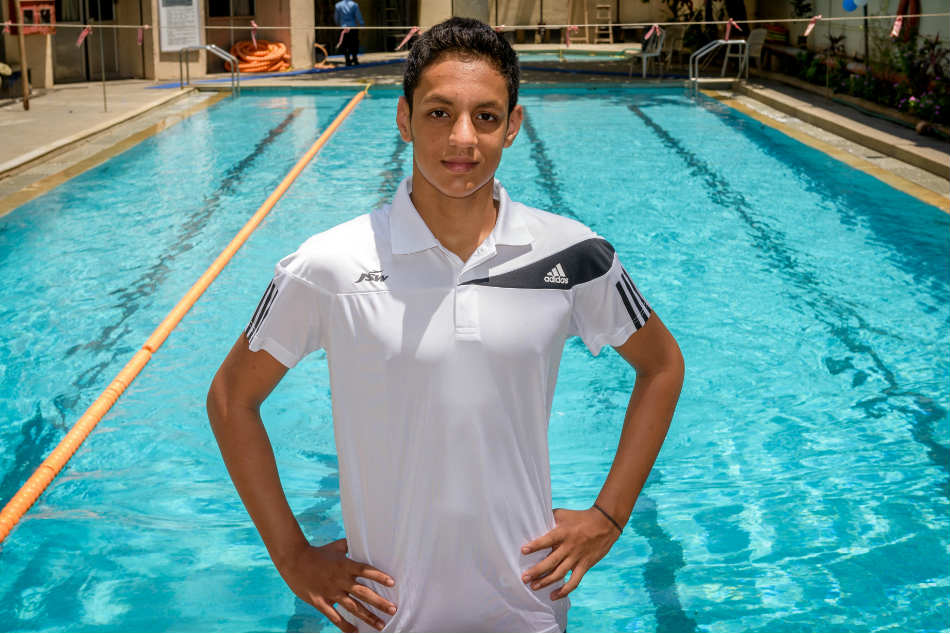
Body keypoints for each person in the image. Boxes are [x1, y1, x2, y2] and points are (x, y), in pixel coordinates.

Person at [206, 17, 684, 634]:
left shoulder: (573, 254)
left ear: (513, 125)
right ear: (404, 119)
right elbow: (231, 398)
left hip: (529, 612)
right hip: (385, 615)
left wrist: (609, 517)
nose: (463, 139)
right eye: (439, 113)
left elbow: (662, 365)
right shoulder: (329, 264)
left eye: (485, 116)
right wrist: (292, 556)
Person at [334, 0, 364, 66]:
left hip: (343, 27)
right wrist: (362, 24)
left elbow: (336, 17)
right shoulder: (354, 4)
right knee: (354, 43)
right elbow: (358, 16)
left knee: (345, 44)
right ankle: (355, 59)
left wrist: (337, 24)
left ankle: (347, 60)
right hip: (353, 27)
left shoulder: (338, 5)